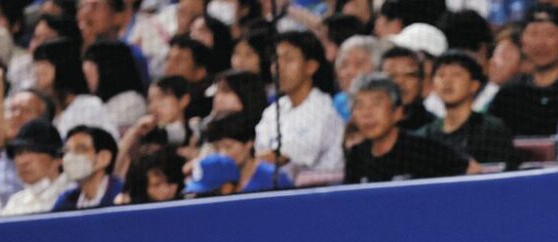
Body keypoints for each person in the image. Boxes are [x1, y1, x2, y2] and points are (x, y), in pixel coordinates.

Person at [487, 6, 558, 135]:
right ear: (522, 43)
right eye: (534, 34)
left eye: (549, 34)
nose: (540, 43)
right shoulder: (510, 94)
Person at [344, 71, 469, 182]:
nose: (367, 114)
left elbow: (470, 171)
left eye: (376, 104)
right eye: (359, 106)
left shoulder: (426, 150)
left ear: (397, 113)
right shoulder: (357, 156)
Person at [254, 29, 346, 178]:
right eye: (275, 59)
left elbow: (281, 157)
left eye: (288, 59)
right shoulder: (272, 111)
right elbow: (260, 155)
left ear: (311, 66)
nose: (278, 67)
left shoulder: (323, 109)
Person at [421, 49, 516, 169]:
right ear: (433, 85)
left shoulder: (493, 130)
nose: (447, 82)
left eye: (456, 75)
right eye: (441, 75)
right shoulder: (425, 135)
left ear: (474, 85)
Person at [201, 108, 293, 191]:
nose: (222, 154)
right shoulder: (213, 178)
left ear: (249, 144)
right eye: (216, 148)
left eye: (228, 147)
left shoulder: (274, 178)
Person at [1, 117, 72, 214]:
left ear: (57, 159)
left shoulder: (74, 196)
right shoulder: (16, 203)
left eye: (32, 151)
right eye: (18, 152)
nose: (23, 161)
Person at [51, 124, 123, 210]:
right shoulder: (65, 202)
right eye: (66, 151)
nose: (69, 157)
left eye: (80, 149)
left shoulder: (123, 194)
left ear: (104, 158)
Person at [380, 43, 435, 129]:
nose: (400, 82)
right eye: (392, 76)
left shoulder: (435, 128)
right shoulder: (367, 127)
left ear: (422, 81)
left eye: (410, 75)